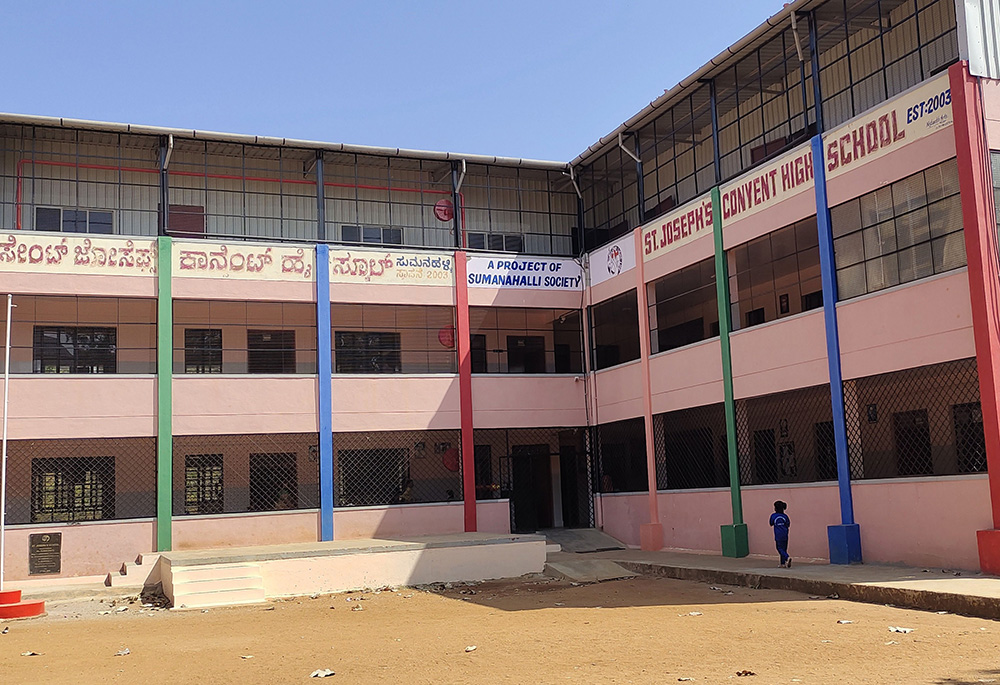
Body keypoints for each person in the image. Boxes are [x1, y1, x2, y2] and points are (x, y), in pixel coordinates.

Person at [769, 500, 791, 568]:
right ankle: (782, 563)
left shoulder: (773, 516)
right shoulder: (785, 516)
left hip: (778, 535)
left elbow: (771, 523)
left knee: (779, 548)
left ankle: (787, 557)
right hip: (785, 534)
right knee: (784, 549)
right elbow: (788, 524)